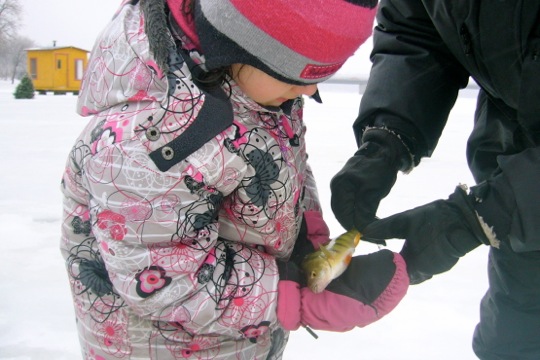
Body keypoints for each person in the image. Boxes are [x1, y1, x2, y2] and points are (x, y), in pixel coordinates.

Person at [60, 0, 409, 359]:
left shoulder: (256, 86)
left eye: (319, 77)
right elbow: (167, 280)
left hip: (239, 339)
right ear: (237, 40)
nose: (307, 92)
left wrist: (305, 225)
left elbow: (283, 162)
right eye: (297, 75)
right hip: (162, 346)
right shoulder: (152, 138)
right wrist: (293, 298)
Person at [330, 1, 540, 359]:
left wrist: (477, 219)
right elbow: (415, 28)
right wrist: (388, 136)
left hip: (520, 197)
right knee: (511, 343)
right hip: (514, 173)